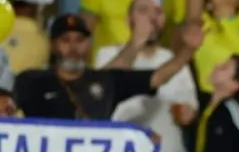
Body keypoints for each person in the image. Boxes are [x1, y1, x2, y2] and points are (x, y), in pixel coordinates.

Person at [96, 0, 199, 152]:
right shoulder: (107, 55)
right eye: (143, 11)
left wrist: (184, 112)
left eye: (157, 12)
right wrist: (136, 41)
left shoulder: (175, 62)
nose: (151, 17)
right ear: (128, 19)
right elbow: (100, 91)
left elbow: (187, 115)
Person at [14, 14, 201, 121]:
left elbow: (158, 77)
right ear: (53, 45)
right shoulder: (31, 81)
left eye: (79, 40)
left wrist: (188, 50)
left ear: (88, 45)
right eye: (66, 40)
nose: (73, 48)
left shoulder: (106, 80)